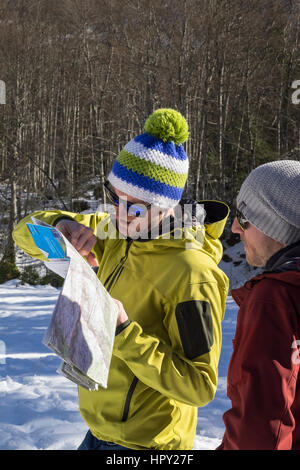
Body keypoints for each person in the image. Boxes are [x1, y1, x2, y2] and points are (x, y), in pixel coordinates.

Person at [13, 108, 229, 450]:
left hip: (149, 445)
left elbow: (199, 385)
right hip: (97, 431)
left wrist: (125, 332)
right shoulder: (113, 228)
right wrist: (59, 225)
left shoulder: (192, 272)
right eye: (114, 196)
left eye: (137, 207)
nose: (121, 213)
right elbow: (24, 232)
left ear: (166, 207)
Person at [218, 160, 300, 450]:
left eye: (245, 217)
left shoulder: (273, 300)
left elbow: (259, 434)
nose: (235, 228)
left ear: (276, 227)